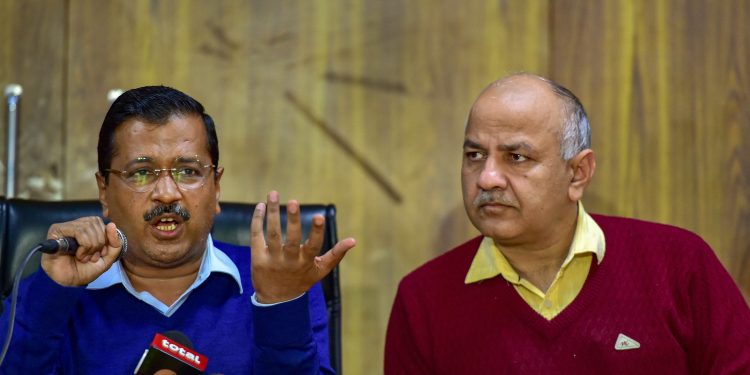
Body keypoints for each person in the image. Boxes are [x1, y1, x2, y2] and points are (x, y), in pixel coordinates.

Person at [384, 73, 750, 374]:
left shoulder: (678, 266)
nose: (487, 177)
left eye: (517, 156)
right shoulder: (424, 299)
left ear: (578, 174)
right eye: (474, 155)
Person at [0, 85, 355, 374]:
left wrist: (279, 307)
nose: (167, 193)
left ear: (216, 188)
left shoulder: (280, 283)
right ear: (104, 192)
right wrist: (49, 297)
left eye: (188, 171)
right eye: (141, 173)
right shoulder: (52, 293)